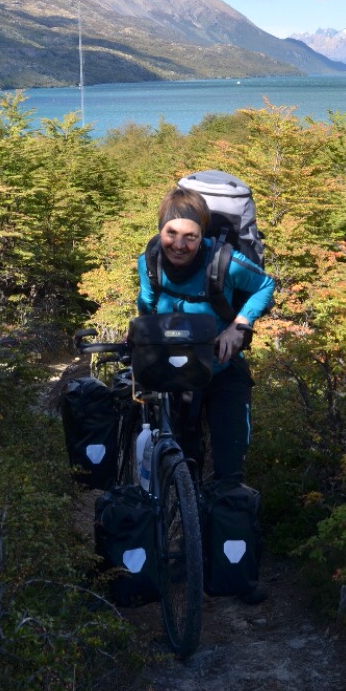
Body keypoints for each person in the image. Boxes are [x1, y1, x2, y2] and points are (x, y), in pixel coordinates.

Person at [137, 186, 274, 485]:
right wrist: (139, 335)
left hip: (222, 368)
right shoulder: (149, 262)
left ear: (203, 234)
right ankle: (187, 513)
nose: (179, 245)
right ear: (160, 229)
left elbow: (265, 285)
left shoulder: (226, 263)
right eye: (171, 233)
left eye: (191, 236)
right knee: (184, 459)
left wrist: (239, 325)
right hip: (177, 372)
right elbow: (146, 305)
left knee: (230, 467)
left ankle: (223, 514)